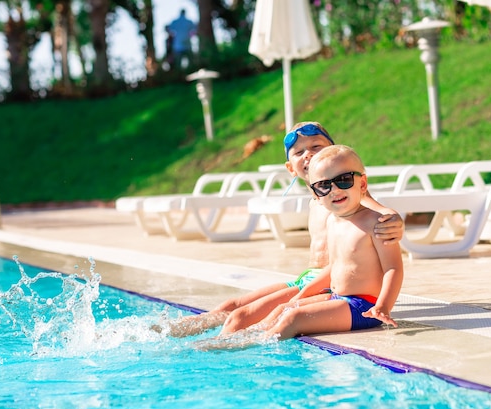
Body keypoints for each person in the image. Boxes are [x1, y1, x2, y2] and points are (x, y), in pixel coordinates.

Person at [155, 122, 403, 337]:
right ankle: (168, 332)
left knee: (243, 317)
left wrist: (395, 221)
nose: (309, 154)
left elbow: (379, 211)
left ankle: (222, 347)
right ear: (291, 168)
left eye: (317, 147)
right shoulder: (319, 198)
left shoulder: (345, 195)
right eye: (299, 152)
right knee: (232, 305)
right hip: (308, 278)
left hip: (329, 285)